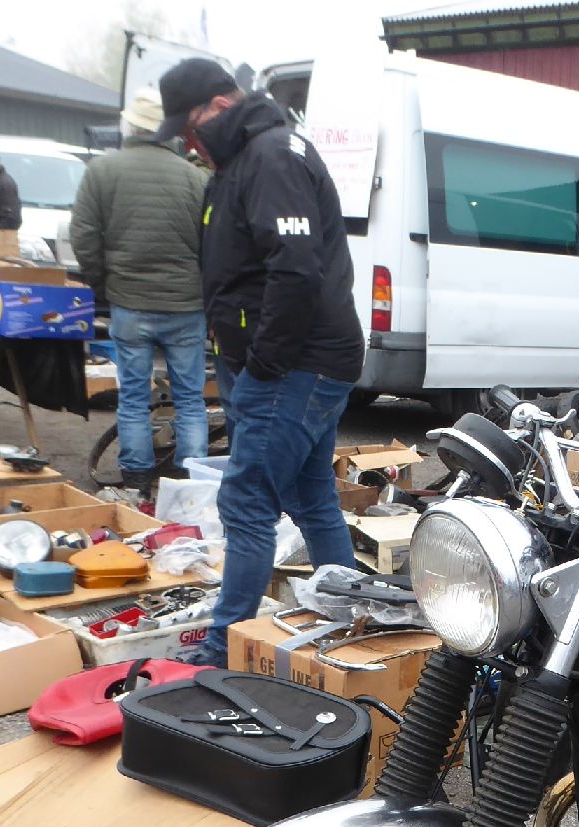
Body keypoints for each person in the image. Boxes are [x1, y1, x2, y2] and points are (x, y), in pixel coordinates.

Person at [153, 59, 364, 667]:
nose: (189, 143)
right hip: (303, 359)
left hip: (296, 363)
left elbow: (295, 270)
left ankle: (223, 650)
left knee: (247, 502)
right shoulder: (244, 160)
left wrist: (265, 365)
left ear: (220, 107)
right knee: (312, 497)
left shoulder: (271, 156)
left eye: (191, 127)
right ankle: (350, 621)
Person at [69, 88, 210, 494]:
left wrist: (103, 284)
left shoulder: (101, 171)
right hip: (186, 305)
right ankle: (192, 484)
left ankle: (136, 482)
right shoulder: (194, 177)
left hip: (129, 302)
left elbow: (84, 236)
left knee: (133, 396)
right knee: (190, 397)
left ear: (129, 125)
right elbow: (211, 243)